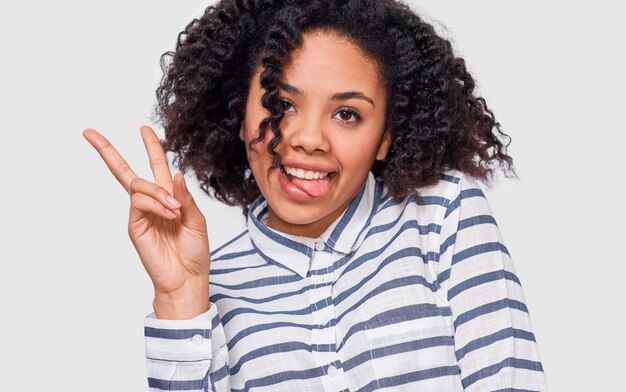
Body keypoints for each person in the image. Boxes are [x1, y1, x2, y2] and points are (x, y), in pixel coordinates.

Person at [83, 0, 548, 390]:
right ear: (239, 115)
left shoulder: (444, 214)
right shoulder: (210, 286)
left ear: (385, 136)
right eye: (281, 105)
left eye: (346, 114)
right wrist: (181, 300)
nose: (309, 139)